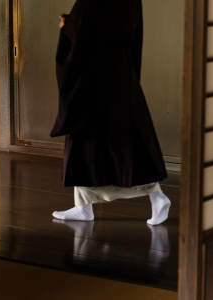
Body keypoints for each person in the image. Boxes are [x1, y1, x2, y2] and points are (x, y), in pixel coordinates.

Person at [50, 0, 171, 225]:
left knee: (96, 143)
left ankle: (157, 196)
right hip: (120, 74)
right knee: (117, 144)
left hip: (95, 78)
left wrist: (67, 26)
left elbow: (87, 29)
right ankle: (83, 207)